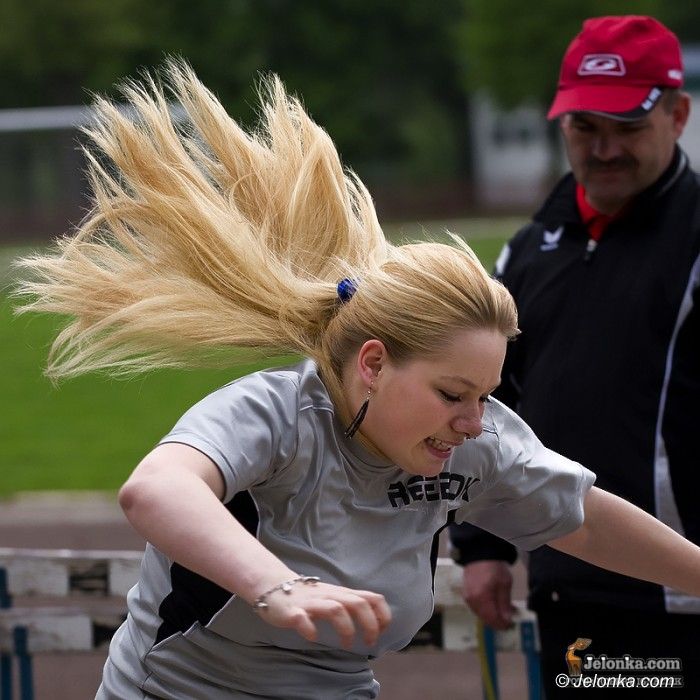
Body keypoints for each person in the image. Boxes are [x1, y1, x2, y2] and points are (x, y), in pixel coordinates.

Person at [15, 60, 700, 700]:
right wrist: (279, 587)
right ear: (372, 364)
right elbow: (156, 490)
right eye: (452, 394)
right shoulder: (278, 415)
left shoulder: (472, 442)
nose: (474, 421)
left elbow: (583, 519)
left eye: (486, 396)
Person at [448, 14, 700, 698]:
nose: (605, 148)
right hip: (570, 597)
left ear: (678, 116)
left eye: (628, 127)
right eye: (586, 127)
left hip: (685, 597)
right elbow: (485, 405)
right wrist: (484, 546)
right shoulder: (529, 250)